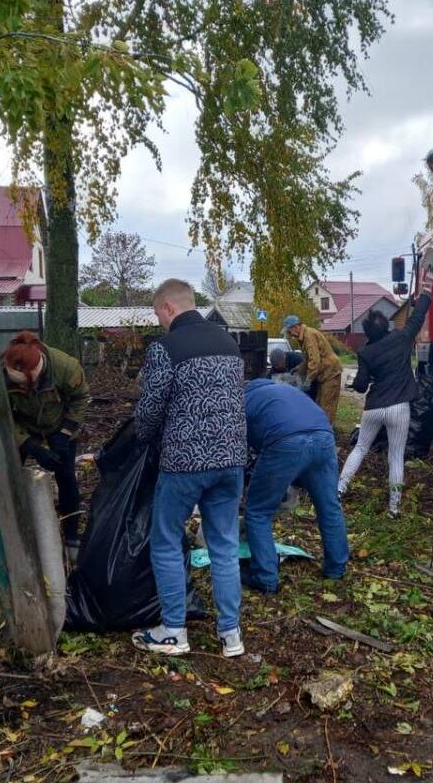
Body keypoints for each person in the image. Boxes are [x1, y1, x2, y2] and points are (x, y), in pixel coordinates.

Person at [131, 279, 247, 658]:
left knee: (165, 542)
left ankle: (173, 631)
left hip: (184, 462)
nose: (159, 321)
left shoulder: (166, 348)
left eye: (157, 314)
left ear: (167, 307)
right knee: (225, 547)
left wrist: (139, 441)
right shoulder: (230, 344)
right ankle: (231, 635)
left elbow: (149, 411)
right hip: (231, 461)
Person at [338, 271, 433, 516]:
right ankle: (393, 509)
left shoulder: (365, 352)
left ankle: (338, 491)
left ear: (368, 333)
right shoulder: (402, 338)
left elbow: (361, 386)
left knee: (360, 448)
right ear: (387, 326)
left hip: (374, 407)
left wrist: (357, 384)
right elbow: (418, 316)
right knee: (396, 456)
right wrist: (427, 290)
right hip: (399, 407)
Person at [243, 378, 349, 593]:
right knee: (329, 506)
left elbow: (246, 450)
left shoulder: (243, 401)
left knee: (257, 511)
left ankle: (265, 578)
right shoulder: (287, 390)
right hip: (324, 437)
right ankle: (336, 568)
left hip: (285, 442)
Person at [2, 331, 89, 545]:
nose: (22, 388)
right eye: (17, 385)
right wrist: (30, 445)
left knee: (66, 476)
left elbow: (81, 398)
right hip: (22, 424)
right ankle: (10, 528)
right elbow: (0, 414)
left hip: (58, 421)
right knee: (9, 474)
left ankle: (70, 532)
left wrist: (65, 431)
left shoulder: (65, 367)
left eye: (25, 384)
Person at [282, 315, 343, 426]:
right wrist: (298, 368)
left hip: (330, 373)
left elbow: (314, 361)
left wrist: (308, 380)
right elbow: (308, 359)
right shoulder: (304, 336)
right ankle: (321, 430)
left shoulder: (309, 335)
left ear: (295, 327)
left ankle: (326, 435)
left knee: (327, 408)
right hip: (324, 374)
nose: (291, 335)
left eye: (290, 331)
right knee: (319, 404)